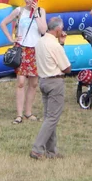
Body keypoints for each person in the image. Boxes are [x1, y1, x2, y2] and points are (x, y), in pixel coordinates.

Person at [0, 0, 48, 124]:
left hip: (35, 50)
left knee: (33, 83)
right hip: (22, 49)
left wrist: (36, 13)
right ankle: (19, 114)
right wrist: (11, 38)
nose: (28, 0)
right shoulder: (19, 11)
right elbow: (3, 23)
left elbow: (43, 30)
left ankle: (28, 112)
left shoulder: (41, 11)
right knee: (21, 82)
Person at [29, 17, 72, 160]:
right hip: (55, 82)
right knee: (52, 118)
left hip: (43, 81)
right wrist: (61, 45)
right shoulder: (55, 46)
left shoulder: (40, 42)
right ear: (58, 30)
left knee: (49, 117)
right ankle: (37, 148)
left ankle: (51, 151)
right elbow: (66, 68)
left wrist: (61, 43)